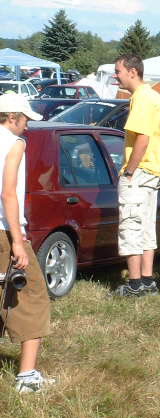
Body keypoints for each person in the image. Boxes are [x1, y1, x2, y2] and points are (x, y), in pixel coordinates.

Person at [0, 93, 54, 393]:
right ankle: (27, 377)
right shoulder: (14, 144)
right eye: (24, 121)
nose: (27, 127)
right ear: (12, 117)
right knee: (32, 296)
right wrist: (18, 242)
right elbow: (8, 193)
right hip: (5, 231)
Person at [112, 54, 160, 297]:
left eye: (118, 71)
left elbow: (142, 139)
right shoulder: (154, 96)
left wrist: (129, 171)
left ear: (132, 72)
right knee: (146, 227)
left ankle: (134, 285)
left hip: (141, 171)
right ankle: (147, 280)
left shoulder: (142, 98)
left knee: (130, 226)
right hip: (153, 170)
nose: (116, 76)